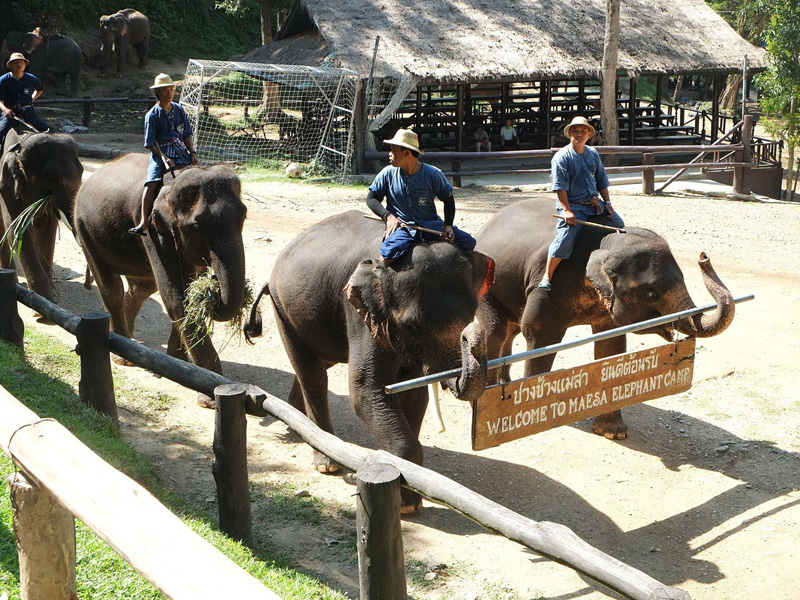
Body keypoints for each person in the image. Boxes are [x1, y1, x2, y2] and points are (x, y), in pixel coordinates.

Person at [366, 128, 476, 264]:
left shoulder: (433, 174)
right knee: (388, 255)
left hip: (431, 226)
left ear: (407, 153)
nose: (390, 154)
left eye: (394, 150)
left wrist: (448, 226)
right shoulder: (387, 173)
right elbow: (371, 198)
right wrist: (388, 216)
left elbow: (448, 200)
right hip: (404, 228)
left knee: (469, 243)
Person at [539, 116, 624, 290]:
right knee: (565, 238)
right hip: (573, 204)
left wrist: (607, 202)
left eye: (583, 131)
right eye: (576, 131)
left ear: (588, 134)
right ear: (569, 133)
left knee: (618, 224)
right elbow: (560, 187)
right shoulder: (561, 157)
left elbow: (601, 180)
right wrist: (566, 210)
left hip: (594, 204)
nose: (579, 134)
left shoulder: (592, 153)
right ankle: (547, 276)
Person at [129, 72, 200, 236]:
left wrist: (192, 153)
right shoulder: (152, 115)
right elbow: (150, 143)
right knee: (151, 184)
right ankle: (144, 222)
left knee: (196, 175)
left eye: (171, 89)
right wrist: (164, 157)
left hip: (180, 149)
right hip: (161, 151)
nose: (169, 93)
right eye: (165, 90)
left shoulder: (179, 109)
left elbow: (186, 134)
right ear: (158, 93)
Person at [0, 52, 50, 145]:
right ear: (11, 65)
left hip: (28, 113)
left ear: (25, 64)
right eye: (16, 62)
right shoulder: (3, 80)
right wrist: (5, 109)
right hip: (10, 114)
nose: (19, 64)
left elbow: (39, 89)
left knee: (50, 131)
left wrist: (32, 98)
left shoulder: (32, 78)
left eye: (21, 62)